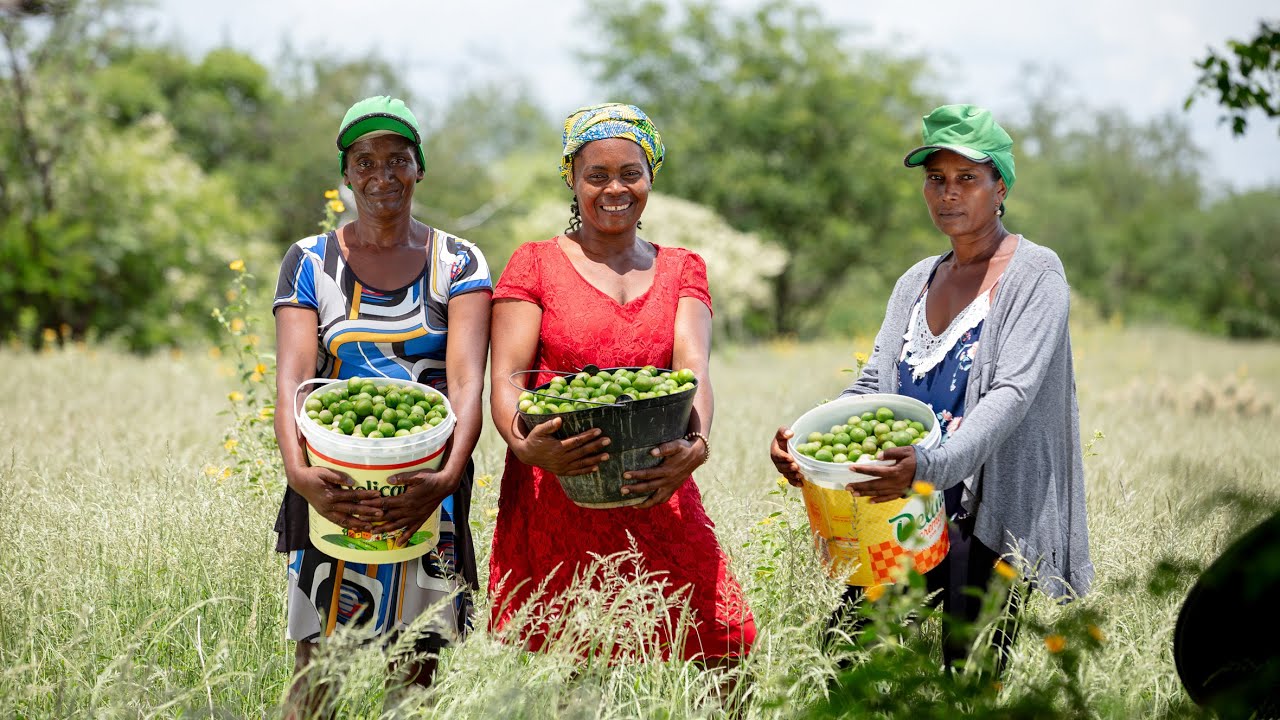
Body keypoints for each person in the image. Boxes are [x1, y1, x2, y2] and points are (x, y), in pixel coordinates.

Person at [770, 104, 1093, 672]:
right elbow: (874, 383)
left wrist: (929, 465)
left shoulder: (1037, 275)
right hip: (907, 510)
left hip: (989, 512)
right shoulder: (915, 281)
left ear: (1000, 187)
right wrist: (805, 439)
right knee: (843, 661)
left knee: (968, 674)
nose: (949, 193)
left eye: (967, 178)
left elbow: (1011, 395)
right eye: (936, 179)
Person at [487, 103, 756, 664]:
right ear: (573, 180)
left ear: (650, 177)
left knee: (720, 649)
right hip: (561, 483)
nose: (615, 188)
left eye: (630, 174)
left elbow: (694, 370)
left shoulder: (683, 266)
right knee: (565, 665)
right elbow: (508, 379)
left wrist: (696, 449)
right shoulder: (534, 263)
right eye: (597, 175)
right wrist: (526, 446)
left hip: (656, 483)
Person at [271, 96, 492, 714]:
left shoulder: (461, 262)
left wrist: (445, 477)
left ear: (420, 168)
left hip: (428, 486)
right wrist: (300, 475)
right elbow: (293, 377)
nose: (382, 176)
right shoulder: (309, 261)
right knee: (318, 671)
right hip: (331, 481)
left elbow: (468, 380)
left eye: (398, 159)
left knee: (416, 669)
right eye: (364, 162)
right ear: (346, 174)